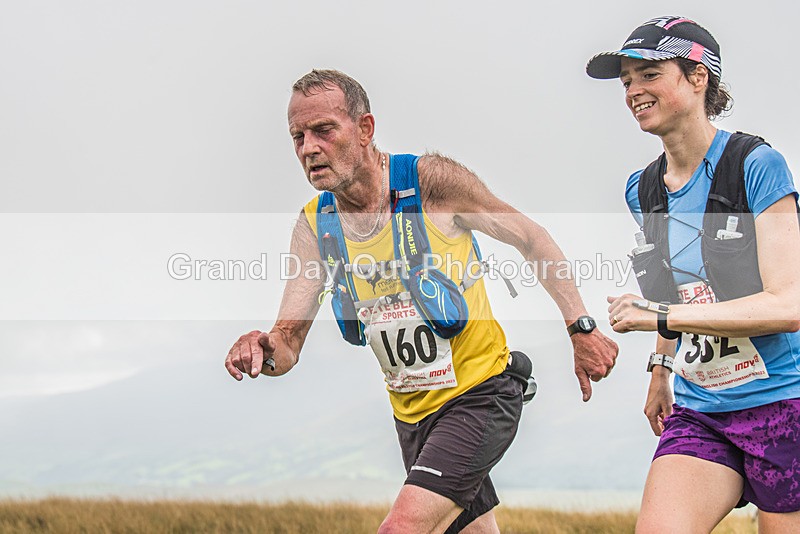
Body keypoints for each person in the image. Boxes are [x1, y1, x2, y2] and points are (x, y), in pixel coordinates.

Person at [225, 69, 618, 534]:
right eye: (298, 136)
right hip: (412, 418)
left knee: (401, 529)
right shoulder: (315, 226)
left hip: (481, 395)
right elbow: (288, 343)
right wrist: (262, 350)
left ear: (365, 129)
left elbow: (531, 238)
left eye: (324, 130)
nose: (309, 147)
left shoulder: (429, 182)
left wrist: (581, 327)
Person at [587, 16, 800, 533]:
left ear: (698, 76)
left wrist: (657, 314)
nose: (634, 90)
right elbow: (673, 290)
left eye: (649, 74)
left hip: (783, 406)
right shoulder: (642, 190)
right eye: (627, 81)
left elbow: (788, 305)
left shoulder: (757, 165)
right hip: (701, 407)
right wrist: (661, 369)